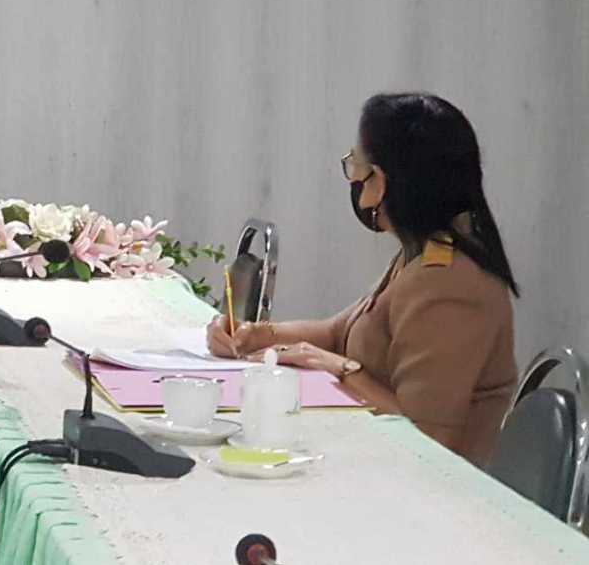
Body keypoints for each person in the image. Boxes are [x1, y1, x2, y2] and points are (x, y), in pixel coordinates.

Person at [207, 93, 518, 465]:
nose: (355, 184)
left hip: (429, 488)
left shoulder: (449, 284)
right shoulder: (419, 254)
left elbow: (428, 440)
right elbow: (339, 333)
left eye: (357, 167)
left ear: (382, 181)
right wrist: (254, 335)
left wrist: (339, 368)